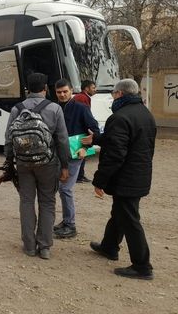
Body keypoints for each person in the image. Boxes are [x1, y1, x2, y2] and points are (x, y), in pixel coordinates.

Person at [82, 79, 156, 280]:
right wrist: (96, 139)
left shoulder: (120, 117)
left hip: (127, 178)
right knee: (120, 213)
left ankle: (142, 266)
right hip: (139, 175)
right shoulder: (144, 113)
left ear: (120, 94)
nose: (111, 98)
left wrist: (99, 180)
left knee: (130, 219)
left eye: (113, 94)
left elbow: (115, 154)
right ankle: (109, 246)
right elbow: (124, 140)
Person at [4, 72, 69, 260]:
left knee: (26, 201)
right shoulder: (55, 108)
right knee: (47, 202)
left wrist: (10, 161)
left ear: (27, 89)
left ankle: (29, 246)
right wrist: (64, 165)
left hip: (24, 164)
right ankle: (45, 246)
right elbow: (62, 139)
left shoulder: (17, 108)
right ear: (45, 88)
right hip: (48, 163)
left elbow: (9, 137)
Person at [53, 79, 100, 239]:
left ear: (72, 90)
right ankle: (66, 221)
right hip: (58, 154)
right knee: (60, 188)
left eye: (65, 91)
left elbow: (94, 130)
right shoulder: (55, 107)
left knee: (65, 189)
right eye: (59, 92)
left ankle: (70, 225)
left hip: (74, 155)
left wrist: (85, 148)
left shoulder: (81, 108)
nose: (62, 94)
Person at [73, 79, 97, 183]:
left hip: (79, 128)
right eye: (93, 87)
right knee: (81, 151)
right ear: (86, 88)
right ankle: (79, 176)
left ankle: (80, 175)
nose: (95, 90)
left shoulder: (81, 97)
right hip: (80, 129)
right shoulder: (82, 98)